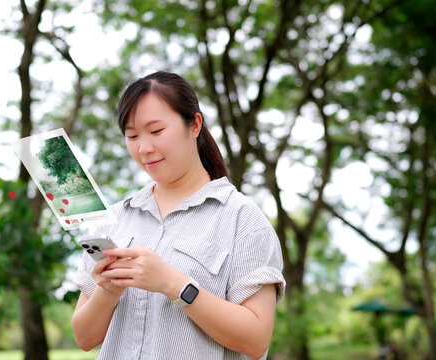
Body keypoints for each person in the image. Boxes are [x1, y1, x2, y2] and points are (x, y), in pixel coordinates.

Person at [71, 71, 285, 360]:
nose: (144, 148)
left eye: (156, 131)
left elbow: (256, 340)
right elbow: (84, 338)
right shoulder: (115, 219)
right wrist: (108, 292)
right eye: (132, 136)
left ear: (194, 125)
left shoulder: (243, 220)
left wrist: (173, 284)